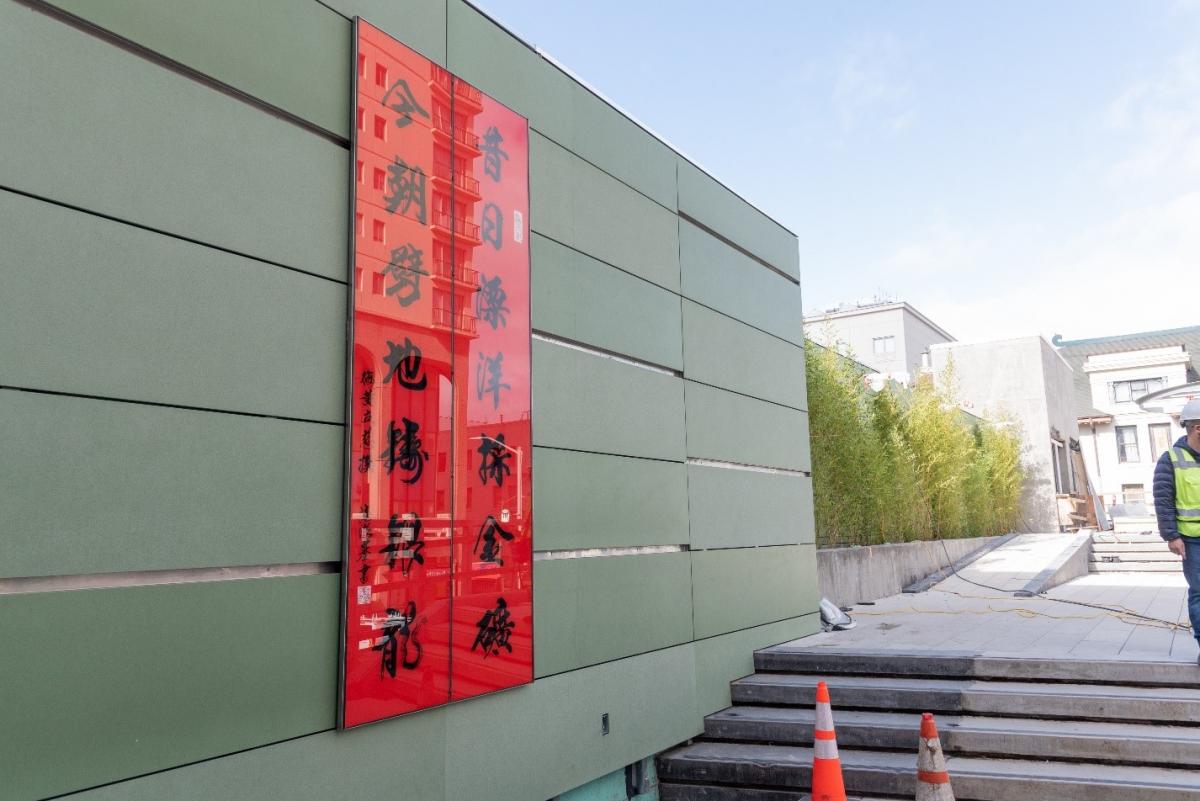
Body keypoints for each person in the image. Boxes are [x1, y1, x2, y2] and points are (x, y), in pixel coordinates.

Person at [1153, 398, 1200, 664]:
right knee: (1199, 592)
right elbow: (1163, 499)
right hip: (1192, 541)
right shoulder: (1170, 459)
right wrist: (1171, 535)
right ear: (1197, 428)